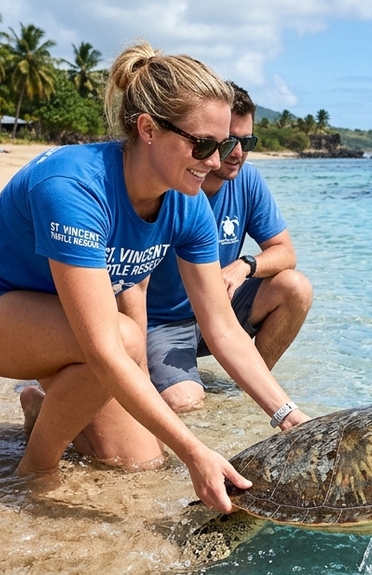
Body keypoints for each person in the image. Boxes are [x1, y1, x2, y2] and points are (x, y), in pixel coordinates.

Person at [0, 42, 309, 513]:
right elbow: (103, 348)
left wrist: (290, 417)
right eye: (204, 145)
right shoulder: (75, 187)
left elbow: (223, 328)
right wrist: (195, 451)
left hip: (59, 321)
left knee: (138, 463)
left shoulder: (188, 204)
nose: (216, 163)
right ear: (148, 129)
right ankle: (35, 467)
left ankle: (42, 409)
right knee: (125, 340)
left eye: (226, 146)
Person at [143, 82, 313, 413]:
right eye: (228, 142)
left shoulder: (248, 181)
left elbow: (285, 252)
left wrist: (245, 265)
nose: (238, 153)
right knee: (186, 402)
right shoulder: (173, 186)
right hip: (163, 323)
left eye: (246, 141)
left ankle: (248, 393)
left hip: (220, 310)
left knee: (296, 287)